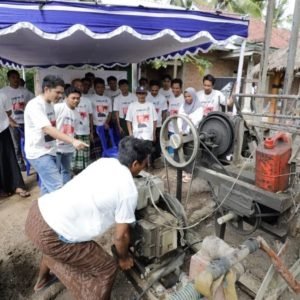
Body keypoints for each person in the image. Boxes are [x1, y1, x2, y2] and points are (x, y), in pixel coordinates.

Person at [25, 137, 153, 299]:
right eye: (144, 163)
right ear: (135, 164)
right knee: (107, 268)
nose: (145, 166)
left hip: (38, 214)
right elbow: (121, 236)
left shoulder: (104, 162)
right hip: (51, 235)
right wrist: (124, 258)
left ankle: (42, 281)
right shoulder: (128, 190)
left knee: (53, 247)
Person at [24, 75, 88, 195]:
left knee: (47, 188)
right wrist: (73, 141)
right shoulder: (35, 105)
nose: (60, 96)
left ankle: (42, 211)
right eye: (57, 92)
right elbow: (47, 129)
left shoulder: (51, 105)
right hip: (39, 153)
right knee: (58, 188)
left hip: (50, 150)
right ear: (47, 89)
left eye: (61, 93)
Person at [0, 70, 33, 170]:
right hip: (12, 123)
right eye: (13, 77)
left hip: (26, 122)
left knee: (29, 143)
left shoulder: (25, 91)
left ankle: (30, 161)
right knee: (16, 145)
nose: (16, 79)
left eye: (17, 77)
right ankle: (20, 163)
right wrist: (9, 120)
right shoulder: (3, 92)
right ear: (8, 79)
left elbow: (32, 102)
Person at [0, 93, 30, 198]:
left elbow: (8, 111)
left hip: (2, 130)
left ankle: (17, 186)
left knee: (9, 158)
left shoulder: (2, 95)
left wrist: (9, 120)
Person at [54, 86, 81, 184]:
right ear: (66, 97)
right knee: (54, 173)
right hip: (55, 147)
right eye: (73, 98)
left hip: (69, 148)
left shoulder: (77, 114)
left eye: (78, 98)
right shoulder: (58, 108)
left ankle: (64, 191)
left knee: (66, 171)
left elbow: (74, 132)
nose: (76, 100)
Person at [178, 87, 203, 182]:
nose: (187, 98)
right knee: (183, 152)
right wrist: (180, 129)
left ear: (193, 96)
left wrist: (188, 124)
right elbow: (179, 117)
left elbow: (197, 120)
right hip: (183, 133)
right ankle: (184, 171)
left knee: (191, 153)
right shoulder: (182, 106)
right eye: (185, 96)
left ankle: (190, 173)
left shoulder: (198, 107)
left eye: (189, 96)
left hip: (192, 133)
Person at [71, 79, 93, 174]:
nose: (79, 87)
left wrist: (91, 131)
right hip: (74, 132)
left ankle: (85, 171)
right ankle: (75, 171)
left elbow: (90, 116)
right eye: (77, 85)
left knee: (85, 152)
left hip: (85, 131)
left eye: (81, 85)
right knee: (75, 153)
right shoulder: (69, 100)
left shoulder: (87, 101)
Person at [90, 77, 112, 160]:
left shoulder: (108, 99)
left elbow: (109, 112)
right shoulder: (91, 99)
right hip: (96, 126)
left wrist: (106, 123)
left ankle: (105, 161)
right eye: (98, 87)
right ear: (95, 88)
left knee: (105, 145)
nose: (100, 89)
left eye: (102, 87)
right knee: (97, 148)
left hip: (105, 126)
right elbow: (90, 114)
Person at [146, 80, 168, 167]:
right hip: (148, 126)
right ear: (150, 89)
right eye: (152, 90)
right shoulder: (147, 98)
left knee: (158, 144)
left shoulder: (162, 98)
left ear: (159, 89)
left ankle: (156, 162)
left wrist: (163, 123)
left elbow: (164, 112)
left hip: (158, 125)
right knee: (149, 144)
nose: (154, 92)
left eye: (156, 90)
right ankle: (149, 162)